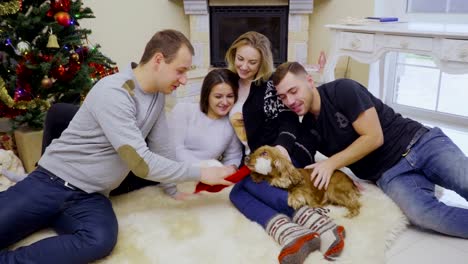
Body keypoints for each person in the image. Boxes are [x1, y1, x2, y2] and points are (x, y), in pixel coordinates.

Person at [0, 29, 233, 264]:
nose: (183, 80)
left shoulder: (157, 96)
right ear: (159, 60)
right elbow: (140, 163)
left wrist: (173, 190)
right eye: (180, 71)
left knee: (100, 240)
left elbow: (161, 145)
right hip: (51, 182)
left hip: (90, 195)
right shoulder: (114, 92)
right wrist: (201, 172)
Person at [272, 61, 468, 239]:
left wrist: (331, 163)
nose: (289, 101)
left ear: (309, 81)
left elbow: (374, 137)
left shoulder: (342, 90)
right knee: (423, 215)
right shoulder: (307, 126)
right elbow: (302, 160)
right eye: (283, 97)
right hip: (390, 174)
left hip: (421, 143)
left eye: (293, 91)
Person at [226, 31, 346, 263]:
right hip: (260, 156)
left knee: (249, 184)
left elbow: (289, 119)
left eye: (252, 62)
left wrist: (282, 148)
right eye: (240, 58)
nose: (244, 65)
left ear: (262, 62)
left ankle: (323, 225)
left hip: (289, 149)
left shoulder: (269, 85)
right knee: (238, 191)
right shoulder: (229, 82)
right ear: (233, 54)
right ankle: (292, 234)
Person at [169, 68, 242, 172]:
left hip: (208, 179)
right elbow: (175, 150)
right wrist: (207, 167)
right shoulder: (183, 110)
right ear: (207, 95)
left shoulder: (230, 123)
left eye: (230, 96)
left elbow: (233, 157)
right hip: (176, 172)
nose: (225, 102)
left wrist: (228, 170)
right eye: (218, 96)